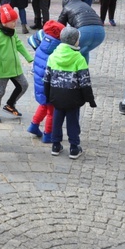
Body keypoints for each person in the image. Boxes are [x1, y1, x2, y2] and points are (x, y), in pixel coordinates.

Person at [42, 27, 97, 159]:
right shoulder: (79, 58)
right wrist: (90, 99)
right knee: (73, 122)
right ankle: (74, 147)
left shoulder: (53, 56)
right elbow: (85, 82)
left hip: (56, 96)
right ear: (74, 41)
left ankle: (55, 145)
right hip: (73, 98)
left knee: (57, 120)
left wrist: (47, 95)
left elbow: (46, 79)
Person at [0, 4, 34, 123]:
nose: (15, 23)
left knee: (24, 85)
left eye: (15, 20)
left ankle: (10, 104)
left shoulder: (12, 31)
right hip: (2, 69)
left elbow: (19, 45)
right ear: (4, 22)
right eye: (12, 21)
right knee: (0, 91)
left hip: (15, 67)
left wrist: (29, 58)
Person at [26, 21, 65, 143]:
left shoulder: (41, 46)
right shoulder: (56, 51)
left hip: (39, 84)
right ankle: (48, 134)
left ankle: (34, 125)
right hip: (50, 86)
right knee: (51, 112)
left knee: (43, 104)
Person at [57, 0, 105, 64]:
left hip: (84, 31)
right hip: (100, 32)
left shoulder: (67, 7)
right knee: (84, 51)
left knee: (70, 51)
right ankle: (84, 71)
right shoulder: (85, 5)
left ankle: (67, 71)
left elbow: (59, 26)